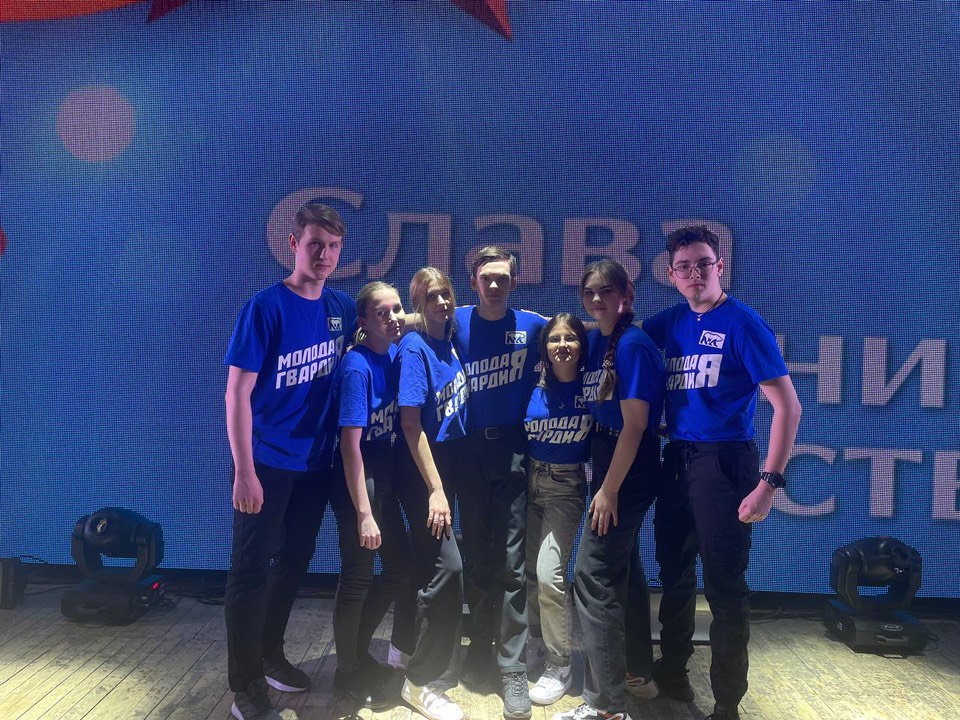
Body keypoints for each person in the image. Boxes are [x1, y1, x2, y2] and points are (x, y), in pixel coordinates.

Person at [644, 225, 801, 720]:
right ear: (671, 274)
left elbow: (788, 407)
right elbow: (615, 332)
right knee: (674, 576)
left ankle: (727, 703)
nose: (694, 273)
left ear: (719, 267)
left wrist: (769, 484)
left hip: (726, 464)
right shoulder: (670, 322)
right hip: (677, 461)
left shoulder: (743, 323)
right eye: (684, 266)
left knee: (724, 587)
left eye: (703, 264)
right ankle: (673, 673)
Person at [223, 203, 355, 720]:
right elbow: (237, 394)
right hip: (265, 464)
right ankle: (245, 687)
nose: (324, 254)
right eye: (315, 243)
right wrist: (244, 470)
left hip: (315, 464)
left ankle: (269, 652)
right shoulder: (264, 308)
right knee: (250, 572)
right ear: (293, 244)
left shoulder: (341, 308)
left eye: (334, 246)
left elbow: (392, 319)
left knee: (293, 565)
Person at [554, 259, 665, 720]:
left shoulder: (633, 346)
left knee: (593, 576)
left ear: (626, 296)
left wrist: (609, 489)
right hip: (607, 458)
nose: (597, 299)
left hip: (627, 467)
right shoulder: (599, 338)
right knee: (623, 572)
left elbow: (635, 426)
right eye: (589, 292)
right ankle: (637, 672)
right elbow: (558, 328)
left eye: (606, 291)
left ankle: (605, 707)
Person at [453, 246, 546, 720]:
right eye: (486, 278)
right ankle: (478, 644)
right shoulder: (456, 321)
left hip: (513, 449)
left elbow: (579, 332)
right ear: (472, 281)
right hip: (468, 451)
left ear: (515, 282)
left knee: (511, 563)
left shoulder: (533, 325)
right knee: (476, 558)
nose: (494, 285)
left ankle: (512, 667)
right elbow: (405, 319)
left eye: (502, 279)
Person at [331, 280, 413, 708]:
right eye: (382, 313)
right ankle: (347, 672)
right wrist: (364, 513)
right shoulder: (356, 367)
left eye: (398, 309)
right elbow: (349, 447)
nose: (394, 318)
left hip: (382, 473)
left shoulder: (394, 354)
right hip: (356, 478)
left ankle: (357, 651)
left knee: (399, 566)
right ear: (363, 320)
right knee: (358, 576)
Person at [395, 267, 468, 720]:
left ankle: (404, 650)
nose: (441, 302)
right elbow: (410, 424)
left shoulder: (451, 341)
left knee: (426, 570)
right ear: (418, 304)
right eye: (430, 297)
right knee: (449, 569)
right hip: (424, 473)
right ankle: (420, 680)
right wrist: (435, 490)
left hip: (449, 467)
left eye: (445, 294)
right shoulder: (415, 347)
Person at [524, 313, 593, 706]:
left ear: (582, 344)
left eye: (571, 338)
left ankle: (560, 663)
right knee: (528, 574)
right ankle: (536, 640)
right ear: (544, 346)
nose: (562, 345)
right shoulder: (531, 385)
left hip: (565, 488)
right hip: (527, 482)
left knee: (549, 576)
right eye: (554, 339)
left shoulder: (592, 387)